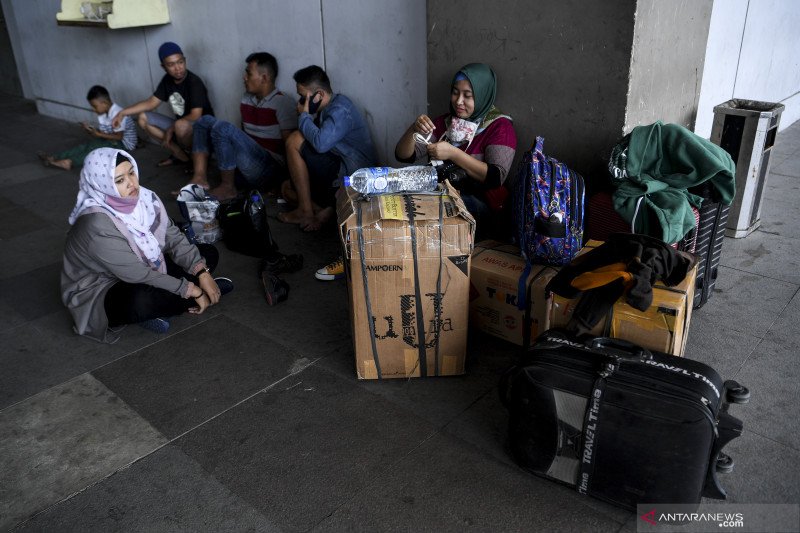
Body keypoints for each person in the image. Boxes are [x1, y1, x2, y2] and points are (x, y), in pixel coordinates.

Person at [61, 148, 233, 344]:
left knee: (207, 253)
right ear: (103, 185)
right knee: (140, 301)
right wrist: (195, 291)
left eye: (131, 172)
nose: (132, 183)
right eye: (119, 180)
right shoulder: (96, 224)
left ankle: (167, 305)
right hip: (103, 288)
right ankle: (202, 296)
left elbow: (173, 237)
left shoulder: (145, 199)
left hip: (145, 265)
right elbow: (138, 274)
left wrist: (202, 272)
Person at [394, 62, 517, 240]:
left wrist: (453, 153)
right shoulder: (445, 123)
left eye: (468, 96)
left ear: (483, 95)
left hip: (482, 209)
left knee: (434, 207)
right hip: (443, 201)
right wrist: (413, 129)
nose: (458, 101)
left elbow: (495, 177)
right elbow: (403, 156)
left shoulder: (500, 127)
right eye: (455, 92)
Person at [278, 65, 377, 231]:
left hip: (351, 175)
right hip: (336, 168)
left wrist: (304, 115)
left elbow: (320, 143)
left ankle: (307, 211)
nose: (300, 102)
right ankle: (326, 210)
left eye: (303, 97)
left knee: (293, 140)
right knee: (287, 188)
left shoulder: (340, 110)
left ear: (319, 95)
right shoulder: (327, 108)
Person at [189, 52, 297, 200]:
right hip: (247, 168)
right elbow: (243, 137)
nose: (244, 77)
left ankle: (228, 187)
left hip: (269, 171)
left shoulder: (283, 103)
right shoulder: (246, 99)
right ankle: (199, 178)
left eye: (248, 73)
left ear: (264, 78)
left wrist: (287, 184)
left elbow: (290, 147)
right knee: (204, 121)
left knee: (223, 128)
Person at [112, 42, 214, 167]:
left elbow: (196, 115)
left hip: (201, 133)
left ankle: (198, 158)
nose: (178, 68)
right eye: (171, 65)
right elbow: (151, 103)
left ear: (185, 61)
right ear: (163, 66)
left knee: (180, 125)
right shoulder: (167, 80)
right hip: (180, 129)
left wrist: (171, 129)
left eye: (180, 62)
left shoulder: (194, 82)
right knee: (143, 117)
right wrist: (122, 113)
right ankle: (180, 154)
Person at [38, 85, 137, 171]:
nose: (93, 109)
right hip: (112, 139)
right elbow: (104, 133)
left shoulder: (117, 113)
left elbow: (119, 137)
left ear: (104, 103)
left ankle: (69, 162)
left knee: (95, 149)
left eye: (95, 106)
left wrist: (99, 134)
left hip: (124, 144)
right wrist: (91, 130)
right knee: (86, 145)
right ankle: (54, 157)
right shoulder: (103, 113)